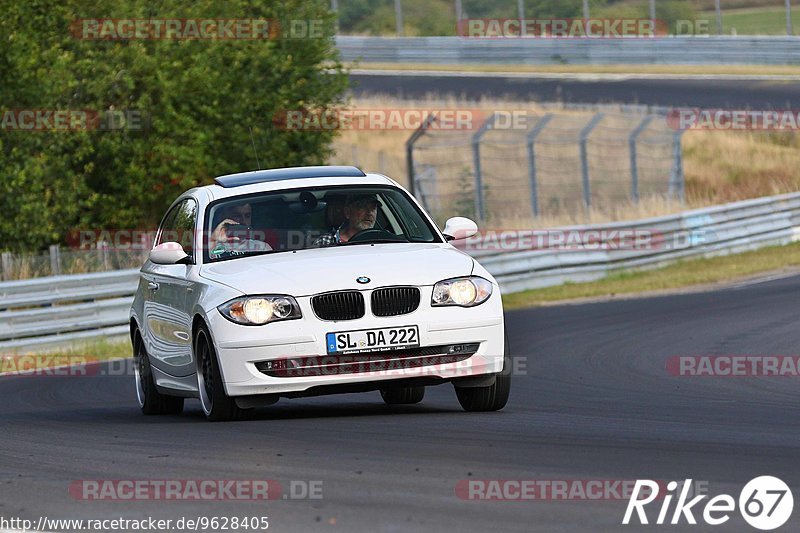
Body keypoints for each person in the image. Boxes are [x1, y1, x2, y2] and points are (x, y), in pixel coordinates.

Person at [312, 193, 381, 247]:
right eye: (362, 207)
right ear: (347, 212)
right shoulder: (325, 242)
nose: (369, 213)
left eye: (373, 207)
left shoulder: (383, 242)